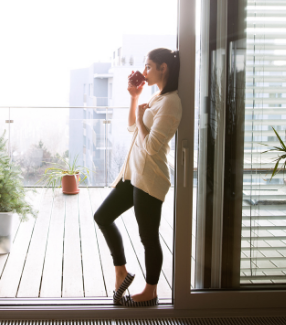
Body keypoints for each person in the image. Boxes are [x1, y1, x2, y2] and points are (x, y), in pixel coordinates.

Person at [94, 48, 182, 307]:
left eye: (149, 66)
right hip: (132, 174)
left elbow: (153, 146)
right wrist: (135, 98)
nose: (145, 72)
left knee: (148, 236)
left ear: (163, 68)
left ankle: (151, 291)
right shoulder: (157, 97)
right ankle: (121, 270)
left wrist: (143, 121)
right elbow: (133, 126)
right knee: (102, 216)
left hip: (150, 178)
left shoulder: (171, 102)